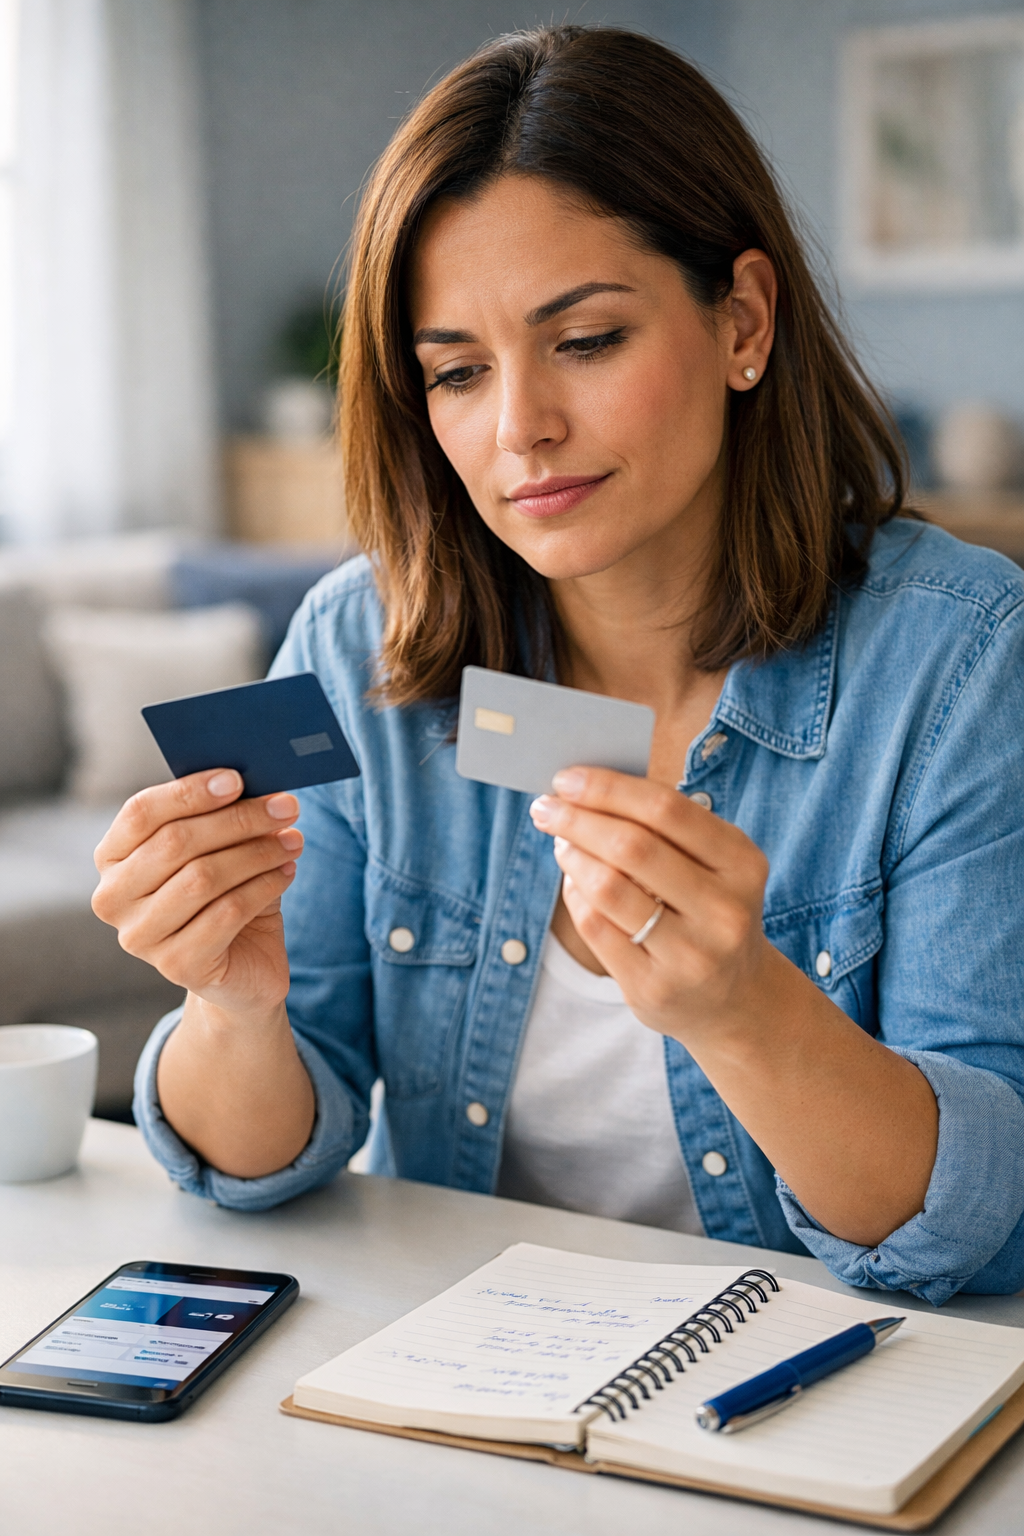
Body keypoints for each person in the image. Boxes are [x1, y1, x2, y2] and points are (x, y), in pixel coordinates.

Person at [93, 25, 1023, 1303]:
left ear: (743, 321)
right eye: (456, 372)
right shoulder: (359, 648)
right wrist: (232, 1007)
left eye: (584, 341)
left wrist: (743, 1009)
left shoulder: (959, 661)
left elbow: (977, 1225)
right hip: (456, 1379)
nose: (519, 427)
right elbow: (258, 1164)